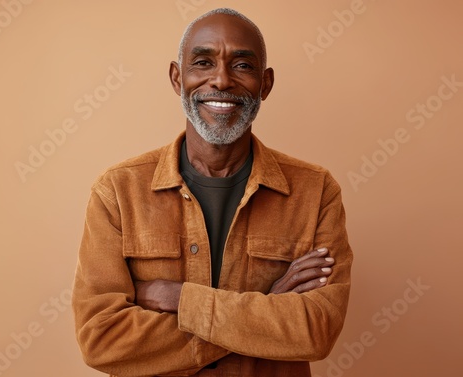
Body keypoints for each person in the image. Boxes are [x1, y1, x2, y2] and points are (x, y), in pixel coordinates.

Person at [72, 7, 353, 377]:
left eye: (242, 66)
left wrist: (178, 299)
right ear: (177, 78)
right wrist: (266, 311)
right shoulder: (118, 191)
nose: (221, 80)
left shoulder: (316, 192)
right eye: (203, 62)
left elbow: (316, 331)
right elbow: (102, 339)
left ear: (265, 84)